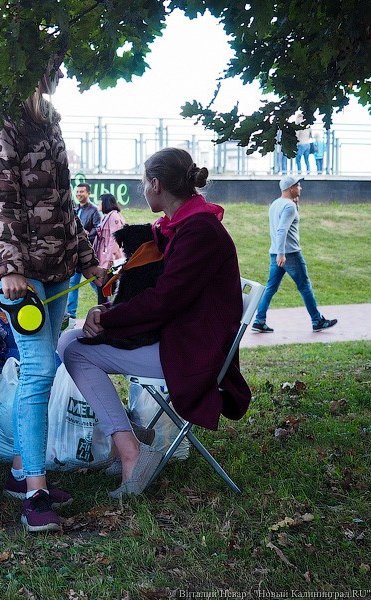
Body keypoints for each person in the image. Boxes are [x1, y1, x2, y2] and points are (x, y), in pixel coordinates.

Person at [58, 147, 252, 499]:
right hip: (182, 339)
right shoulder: (188, 224)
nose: (142, 189)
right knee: (72, 343)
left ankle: (132, 452)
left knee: (73, 349)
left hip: (193, 354)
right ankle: (134, 442)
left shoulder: (199, 232)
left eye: (143, 182)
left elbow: (164, 300)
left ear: (157, 185)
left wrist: (107, 317)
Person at [0, 60, 104, 532]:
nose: (60, 74)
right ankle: (35, 494)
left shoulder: (48, 120)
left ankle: (18, 471)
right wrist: (8, 267)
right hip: (22, 278)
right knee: (39, 369)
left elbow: (65, 204)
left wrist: (88, 260)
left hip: (58, 270)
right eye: (52, 66)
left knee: (40, 370)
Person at [252, 176, 337, 333]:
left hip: (275, 253)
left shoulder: (276, 204)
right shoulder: (289, 206)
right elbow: (282, 229)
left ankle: (259, 320)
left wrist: (278, 253)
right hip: (289, 254)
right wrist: (282, 254)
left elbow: (282, 226)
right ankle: (317, 321)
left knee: (271, 288)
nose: (300, 188)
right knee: (305, 286)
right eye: (298, 185)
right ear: (290, 188)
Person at [65, 183, 102, 325]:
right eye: (77, 191)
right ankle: (71, 314)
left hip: (87, 254)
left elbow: (99, 229)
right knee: (73, 284)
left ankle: (107, 303)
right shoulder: (75, 209)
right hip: (74, 256)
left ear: (88, 193)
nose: (79, 194)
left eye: (82, 191)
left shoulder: (93, 210)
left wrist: (86, 236)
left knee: (95, 282)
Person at [92, 193, 126, 301]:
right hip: (104, 260)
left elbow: (114, 239)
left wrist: (109, 259)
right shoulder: (106, 217)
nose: (98, 204)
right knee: (102, 290)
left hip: (111, 262)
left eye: (100, 201)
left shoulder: (114, 216)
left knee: (104, 290)